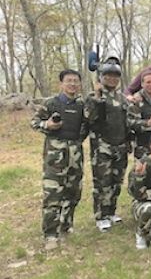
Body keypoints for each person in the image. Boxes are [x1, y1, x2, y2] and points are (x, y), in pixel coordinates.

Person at [31, 69, 88, 250]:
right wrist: (47, 125)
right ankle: (50, 234)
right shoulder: (51, 103)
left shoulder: (82, 104)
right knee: (53, 196)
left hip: (75, 156)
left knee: (73, 193)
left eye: (75, 81)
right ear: (61, 84)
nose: (72, 84)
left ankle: (66, 225)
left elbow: (87, 125)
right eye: (69, 81)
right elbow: (34, 122)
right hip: (55, 158)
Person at [85, 57, 130, 232]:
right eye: (108, 75)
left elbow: (127, 121)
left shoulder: (122, 98)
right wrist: (97, 97)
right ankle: (101, 215)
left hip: (120, 145)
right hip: (102, 146)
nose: (112, 79)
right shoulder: (94, 96)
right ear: (102, 76)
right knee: (102, 182)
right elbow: (89, 118)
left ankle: (111, 211)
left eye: (115, 76)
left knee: (116, 181)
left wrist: (129, 141)